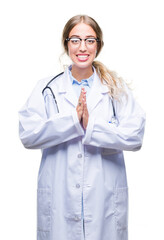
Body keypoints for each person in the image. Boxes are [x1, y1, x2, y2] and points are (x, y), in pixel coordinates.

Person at [19, 15, 146, 240]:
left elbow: (134, 136)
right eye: (75, 40)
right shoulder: (47, 88)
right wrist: (71, 121)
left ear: (98, 44)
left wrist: (91, 126)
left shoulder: (115, 88)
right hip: (60, 200)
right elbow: (28, 134)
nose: (82, 47)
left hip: (104, 201)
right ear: (66, 44)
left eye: (90, 40)